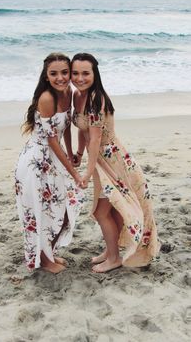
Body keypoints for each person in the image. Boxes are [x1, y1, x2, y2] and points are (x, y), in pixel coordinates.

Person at [71, 53, 160, 273]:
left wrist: (87, 172)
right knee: (111, 210)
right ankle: (111, 251)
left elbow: (96, 140)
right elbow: (84, 132)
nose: (80, 78)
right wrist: (79, 154)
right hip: (98, 159)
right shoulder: (77, 96)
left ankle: (113, 258)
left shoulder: (96, 99)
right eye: (75, 73)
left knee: (102, 212)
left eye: (85, 73)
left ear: (95, 74)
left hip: (112, 162)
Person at [15, 53, 84, 274]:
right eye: (54, 73)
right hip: (37, 161)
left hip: (55, 156)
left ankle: (49, 252)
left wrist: (73, 152)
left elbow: (65, 130)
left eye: (64, 72)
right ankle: (44, 260)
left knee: (61, 208)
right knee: (42, 210)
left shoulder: (69, 93)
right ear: (46, 76)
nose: (60, 78)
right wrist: (72, 171)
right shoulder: (47, 98)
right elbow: (51, 139)